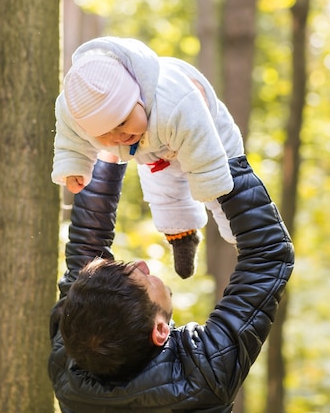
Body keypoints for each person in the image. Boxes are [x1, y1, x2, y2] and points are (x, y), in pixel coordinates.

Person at [48, 154, 294, 413]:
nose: (142, 264)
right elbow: (269, 253)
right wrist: (216, 156)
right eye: (145, 280)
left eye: (126, 268)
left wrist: (108, 156)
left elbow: (87, 249)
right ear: (160, 331)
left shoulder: (71, 367)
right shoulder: (203, 376)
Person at [52, 36, 244, 278]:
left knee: (228, 190)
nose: (119, 136)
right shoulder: (77, 113)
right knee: (165, 194)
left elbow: (204, 148)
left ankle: (244, 239)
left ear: (138, 96)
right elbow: (71, 139)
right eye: (105, 134)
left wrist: (209, 183)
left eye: (122, 122)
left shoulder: (175, 103)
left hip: (208, 135)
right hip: (154, 151)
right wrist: (74, 167)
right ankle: (183, 238)